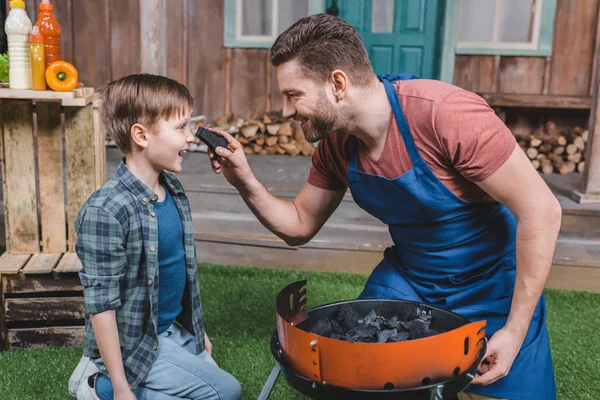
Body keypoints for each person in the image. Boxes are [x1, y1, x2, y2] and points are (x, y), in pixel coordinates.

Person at [207, 14, 560, 400]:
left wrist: (514, 329)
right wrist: (244, 180)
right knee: (361, 371)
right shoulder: (336, 147)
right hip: (410, 277)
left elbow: (541, 210)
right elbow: (299, 225)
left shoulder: (446, 114)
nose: (287, 111)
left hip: (491, 279)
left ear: (338, 84)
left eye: (293, 95)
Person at [69, 74, 242, 400]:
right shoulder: (105, 211)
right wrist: (122, 389)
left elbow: (179, 269)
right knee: (227, 392)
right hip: (135, 341)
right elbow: (101, 307)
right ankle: (98, 385)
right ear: (141, 135)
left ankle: (110, 383)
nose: (191, 138)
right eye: (180, 128)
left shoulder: (173, 191)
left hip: (172, 333)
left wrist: (197, 332)